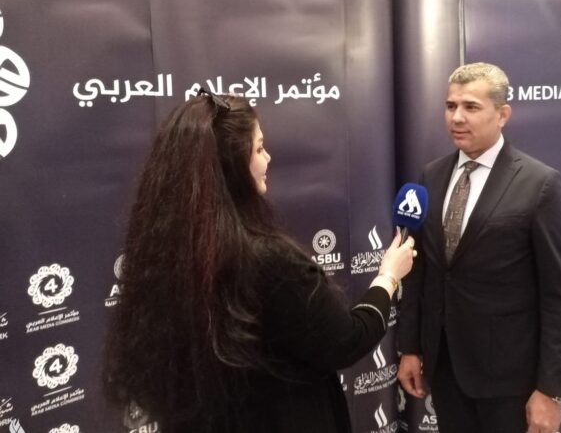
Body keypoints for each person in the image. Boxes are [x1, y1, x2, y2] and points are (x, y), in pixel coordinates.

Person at [103, 90, 416, 433]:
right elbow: (347, 341)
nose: (268, 158)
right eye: (259, 148)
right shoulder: (271, 262)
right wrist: (388, 276)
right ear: (234, 163)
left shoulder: (168, 253)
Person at [397, 62, 561, 433]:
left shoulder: (540, 184)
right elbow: (419, 271)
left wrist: (550, 390)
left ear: (502, 114)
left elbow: (560, 295)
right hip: (445, 370)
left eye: (471, 107)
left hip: (512, 381)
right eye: (451, 106)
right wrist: (410, 347)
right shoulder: (430, 176)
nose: (457, 117)